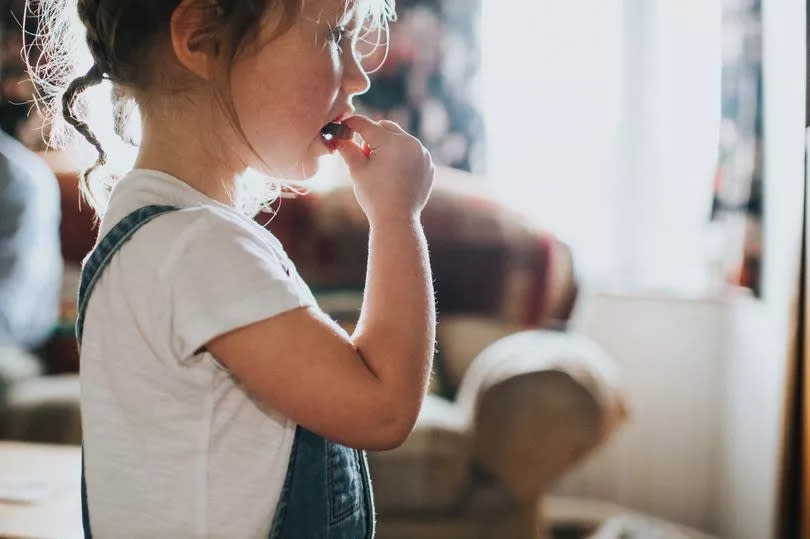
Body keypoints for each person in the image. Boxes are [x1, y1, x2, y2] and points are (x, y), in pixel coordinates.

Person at [29, 0, 435, 537]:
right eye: (334, 37)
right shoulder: (195, 247)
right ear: (200, 37)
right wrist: (397, 215)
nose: (360, 76)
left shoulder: (159, 231)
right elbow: (383, 407)